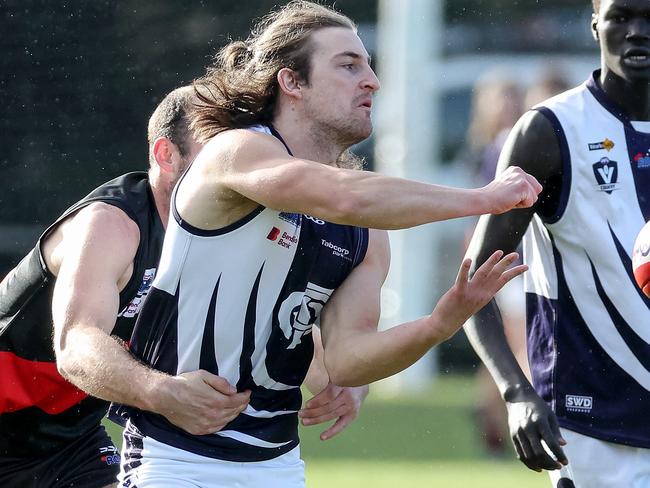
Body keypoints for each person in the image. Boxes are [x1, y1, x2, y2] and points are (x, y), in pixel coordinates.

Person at [115, 2, 542, 487]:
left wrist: (440, 323)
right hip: (175, 461)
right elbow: (340, 195)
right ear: (292, 83)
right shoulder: (237, 151)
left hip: (277, 466)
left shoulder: (364, 227)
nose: (372, 81)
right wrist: (483, 198)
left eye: (369, 65)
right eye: (348, 65)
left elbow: (347, 360)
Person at [0, 86, 364, 488]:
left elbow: (277, 326)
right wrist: (162, 391)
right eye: (218, 152)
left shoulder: (226, 239)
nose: (234, 167)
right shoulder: (111, 225)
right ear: (165, 155)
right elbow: (76, 345)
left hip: (69, 440)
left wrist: (342, 379)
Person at [464, 0, 650, 486]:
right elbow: (472, 288)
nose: (637, 32)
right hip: (593, 429)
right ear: (595, 24)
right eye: (622, 17)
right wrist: (516, 393)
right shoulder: (552, 131)